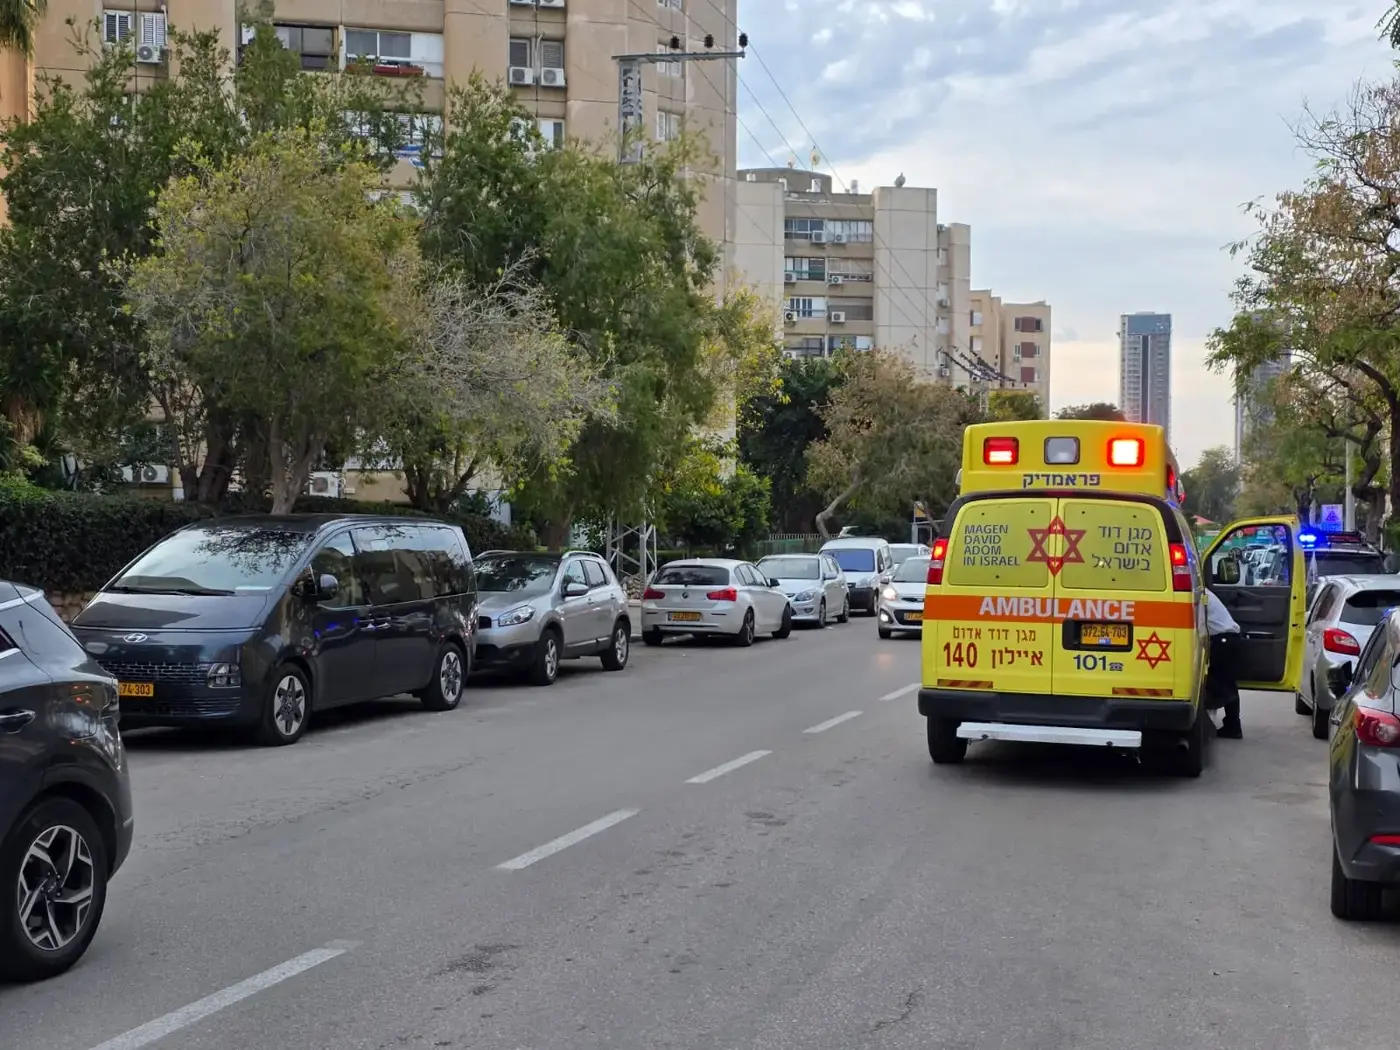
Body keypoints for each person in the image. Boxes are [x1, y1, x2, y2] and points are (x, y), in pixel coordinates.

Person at [1205, 588, 1243, 739]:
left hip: (1223, 640)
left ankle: (1232, 726)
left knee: (1219, 683)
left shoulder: (1200, 594)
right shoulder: (1204, 592)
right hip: (1227, 638)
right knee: (1226, 683)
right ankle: (1232, 725)